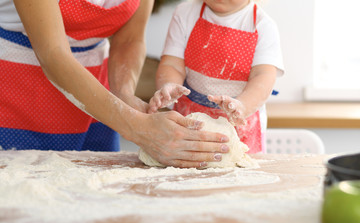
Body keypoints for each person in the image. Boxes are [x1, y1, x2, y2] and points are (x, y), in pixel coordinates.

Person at [0, 0, 230, 168]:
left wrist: (124, 96)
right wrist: (137, 127)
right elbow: (53, 54)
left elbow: (129, 38)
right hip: (17, 89)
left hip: (97, 98)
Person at [148, 0, 284, 153]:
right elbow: (172, 64)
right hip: (191, 117)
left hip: (239, 123)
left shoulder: (262, 25)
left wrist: (242, 106)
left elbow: (263, 76)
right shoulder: (185, 13)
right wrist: (169, 84)